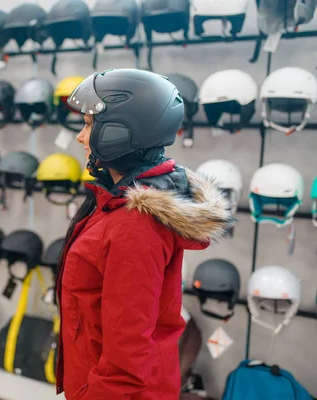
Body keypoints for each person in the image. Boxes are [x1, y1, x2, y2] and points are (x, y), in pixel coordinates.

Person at [54, 68, 232, 400]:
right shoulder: (115, 201)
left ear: (120, 133)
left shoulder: (135, 226)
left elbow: (127, 356)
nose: (80, 136)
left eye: (89, 125)